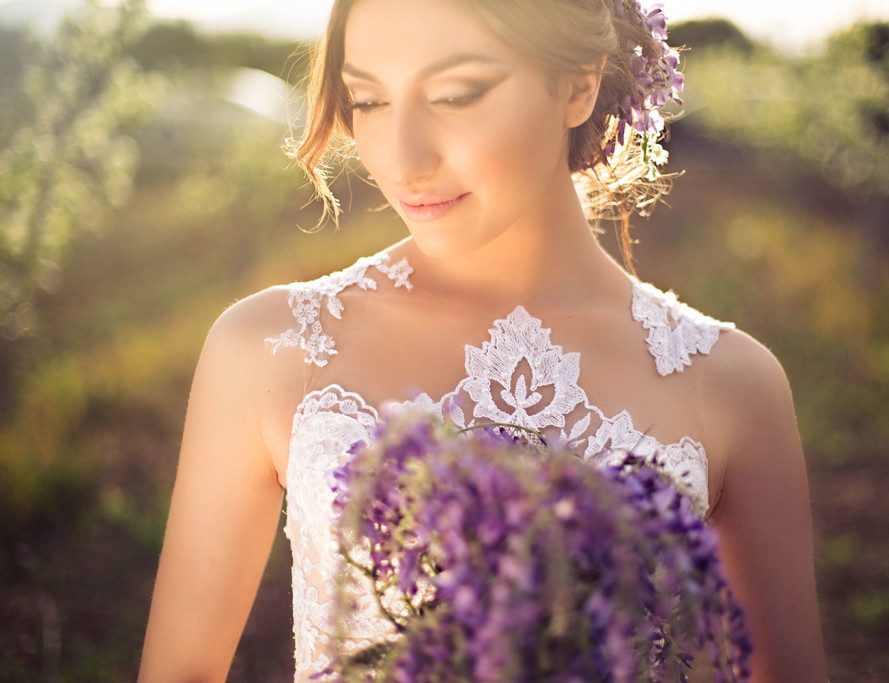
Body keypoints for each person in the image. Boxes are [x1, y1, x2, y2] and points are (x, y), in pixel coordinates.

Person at [138, 0, 829, 680]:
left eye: (457, 94)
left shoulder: (732, 385)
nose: (402, 159)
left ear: (578, 84)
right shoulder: (270, 348)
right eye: (368, 101)